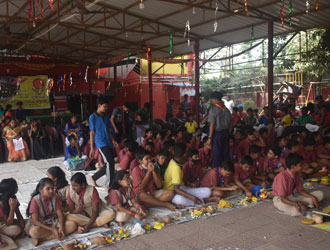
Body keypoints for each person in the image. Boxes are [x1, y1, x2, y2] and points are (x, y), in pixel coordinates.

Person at [25, 178, 77, 246]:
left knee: (72, 225)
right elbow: (35, 221)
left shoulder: (55, 197)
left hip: (52, 220)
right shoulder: (35, 200)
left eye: (52, 188)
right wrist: (52, 229)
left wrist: (61, 227)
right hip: (40, 223)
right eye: (48, 189)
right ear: (40, 190)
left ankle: (43, 239)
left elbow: (60, 215)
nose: (51, 191)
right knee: (34, 232)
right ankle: (56, 234)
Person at [89, 97, 118, 187]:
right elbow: (92, 133)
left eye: (107, 107)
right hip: (100, 142)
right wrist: (92, 148)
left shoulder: (106, 116)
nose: (106, 108)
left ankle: (94, 177)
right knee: (110, 162)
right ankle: (109, 184)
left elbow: (109, 130)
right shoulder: (92, 117)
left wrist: (113, 140)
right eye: (104, 106)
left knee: (111, 162)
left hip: (108, 141)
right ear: (99, 106)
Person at [207, 91, 232, 167]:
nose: (212, 101)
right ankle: (226, 169)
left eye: (212, 99)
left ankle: (217, 171)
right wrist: (228, 134)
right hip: (226, 133)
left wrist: (210, 138)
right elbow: (231, 125)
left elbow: (212, 124)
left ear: (215, 99)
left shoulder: (214, 109)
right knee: (225, 153)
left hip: (217, 134)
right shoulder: (227, 110)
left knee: (217, 154)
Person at [0, 178, 25, 248]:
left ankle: (11, 235)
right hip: (2, 224)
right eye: (16, 186)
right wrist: (12, 208)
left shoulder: (13, 198)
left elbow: (19, 215)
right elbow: (8, 223)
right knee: (16, 229)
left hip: (10, 222)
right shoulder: (1, 203)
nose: (17, 187)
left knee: (28, 222)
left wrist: (23, 229)